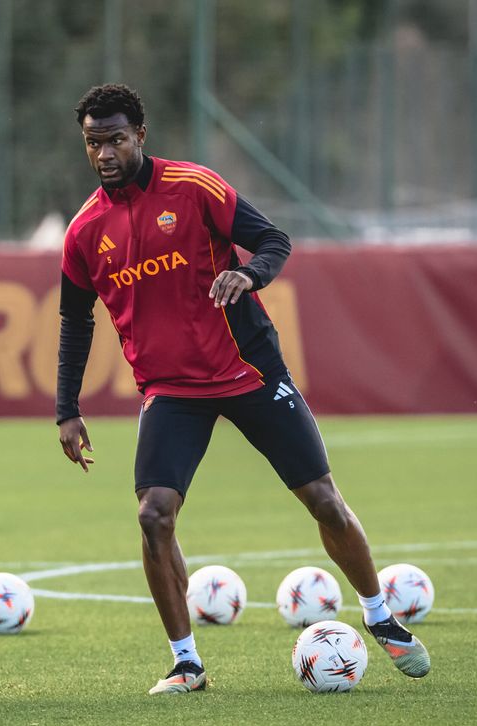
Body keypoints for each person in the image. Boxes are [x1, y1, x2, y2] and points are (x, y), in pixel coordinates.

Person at [55, 84, 430, 695]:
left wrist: (249, 273)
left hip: (249, 371)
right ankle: (186, 664)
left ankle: (379, 616)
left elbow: (275, 240)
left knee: (324, 501)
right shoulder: (83, 231)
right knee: (153, 516)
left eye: (116, 139)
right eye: (93, 142)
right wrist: (66, 408)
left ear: (140, 135)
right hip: (171, 389)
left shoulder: (193, 187)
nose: (104, 153)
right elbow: (75, 321)